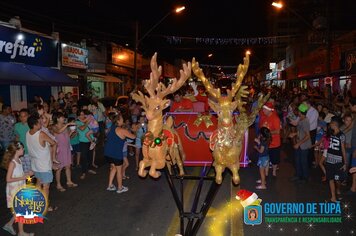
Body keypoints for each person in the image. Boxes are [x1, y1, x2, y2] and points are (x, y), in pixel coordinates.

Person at [26, 114, 57, 212]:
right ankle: (45, 206)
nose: (41, 124)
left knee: (39, 184)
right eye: (39, 123)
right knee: (46, 187)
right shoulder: (41, 134)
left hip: (35, 164)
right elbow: (54, 143)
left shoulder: (28, 133)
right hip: (44, 164)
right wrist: (53, 158)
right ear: (34, 125)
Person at [2, 142, 34, 236]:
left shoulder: (19, 160)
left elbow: (22, 174)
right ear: (17, 150)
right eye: (22, 149)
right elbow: (8, 179)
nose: (23, 150)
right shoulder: (12, 163)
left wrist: (28, 177)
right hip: (14, 188)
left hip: (20, 186)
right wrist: (24, 178)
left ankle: (9, 224)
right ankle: (21, 232)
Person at [104, 113, 137, 193]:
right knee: (119, 170)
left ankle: (110, 185)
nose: (123, 120)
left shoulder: (111, 127)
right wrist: (135, 131)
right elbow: (133, 137)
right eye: (122, 119)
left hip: (107, 152)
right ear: (118, 121)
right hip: (116, 154)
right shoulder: (122, 130)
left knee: (113, 168)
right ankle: (120, 188)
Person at [51, 112, 78, 192]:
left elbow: (67, 137)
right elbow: (58, 132)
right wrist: (67, 124)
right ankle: (58, 185)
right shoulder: (54, 127)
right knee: (59, 168)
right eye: (62, 117)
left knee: (68, 166)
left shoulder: (64, 126)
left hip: (66, 148)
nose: (64, 119)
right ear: (58, 118)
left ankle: (69, 181)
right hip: (59, 149)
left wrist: (72, 133)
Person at [325, 116, 347, 202]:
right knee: (330, 178)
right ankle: (333, 197)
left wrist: (345, 163)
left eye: (331, 123)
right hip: (329, 159)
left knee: (337, 179)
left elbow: (343, 150)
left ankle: (338, 189)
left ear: (335, 124)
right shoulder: (330, 133)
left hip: (338, 161)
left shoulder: (341, 135)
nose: (330, 125)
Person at [289, 103, 312, 183]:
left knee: (303, 162)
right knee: (298, 161)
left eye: (298, 111)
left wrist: (298, 144)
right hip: (300, 144)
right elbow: (300, 131)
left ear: (300, 112)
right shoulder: (301, 119)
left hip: (303, 145)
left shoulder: (305, 121)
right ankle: (299, 176)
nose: (297, 112)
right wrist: (294, 134)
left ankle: (305, 178)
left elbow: (307, 136)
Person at [259, 102, 281, 177]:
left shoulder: (275, 118)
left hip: (274, 143)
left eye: (264, 109)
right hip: (266, 143)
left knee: (274, 159)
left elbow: (277, 131)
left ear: (269, 110)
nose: (263, 110)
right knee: (266, 159)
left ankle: (274, 171)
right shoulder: (264, 117)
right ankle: (266, 173)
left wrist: (267, 133)